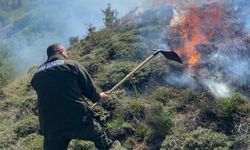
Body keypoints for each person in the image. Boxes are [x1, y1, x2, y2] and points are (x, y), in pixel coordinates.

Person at [31, 44, 114, 150]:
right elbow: (89, 89)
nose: (67, 54)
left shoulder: (36, 76)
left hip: (50, 126)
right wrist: (98, 97)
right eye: (65, 51)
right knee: (99, 135)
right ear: (61, 51)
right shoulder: (72, 65)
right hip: (77, 118)